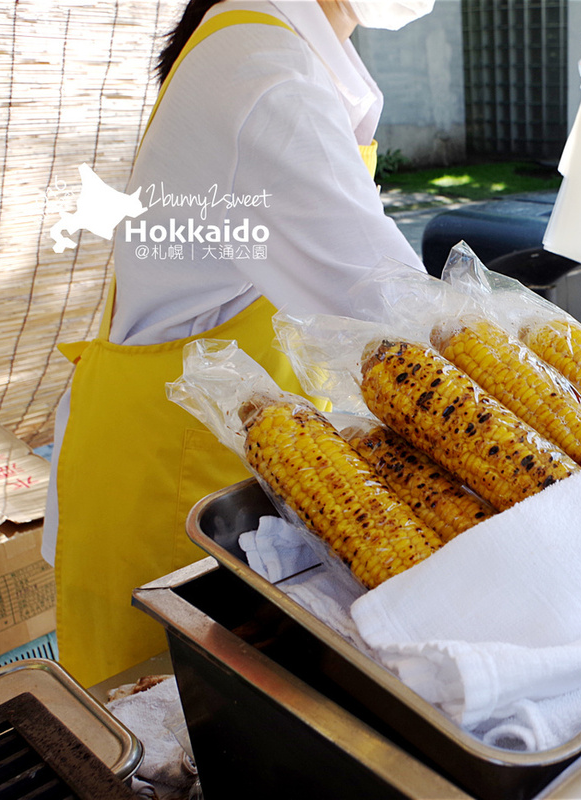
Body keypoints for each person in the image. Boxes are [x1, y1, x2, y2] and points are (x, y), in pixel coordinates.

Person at [43, 0, 434, 687]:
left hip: (215, 464)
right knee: (169, 752)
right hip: (173, 492)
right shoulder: (262, 74)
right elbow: (394, 322)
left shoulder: (278, 51)